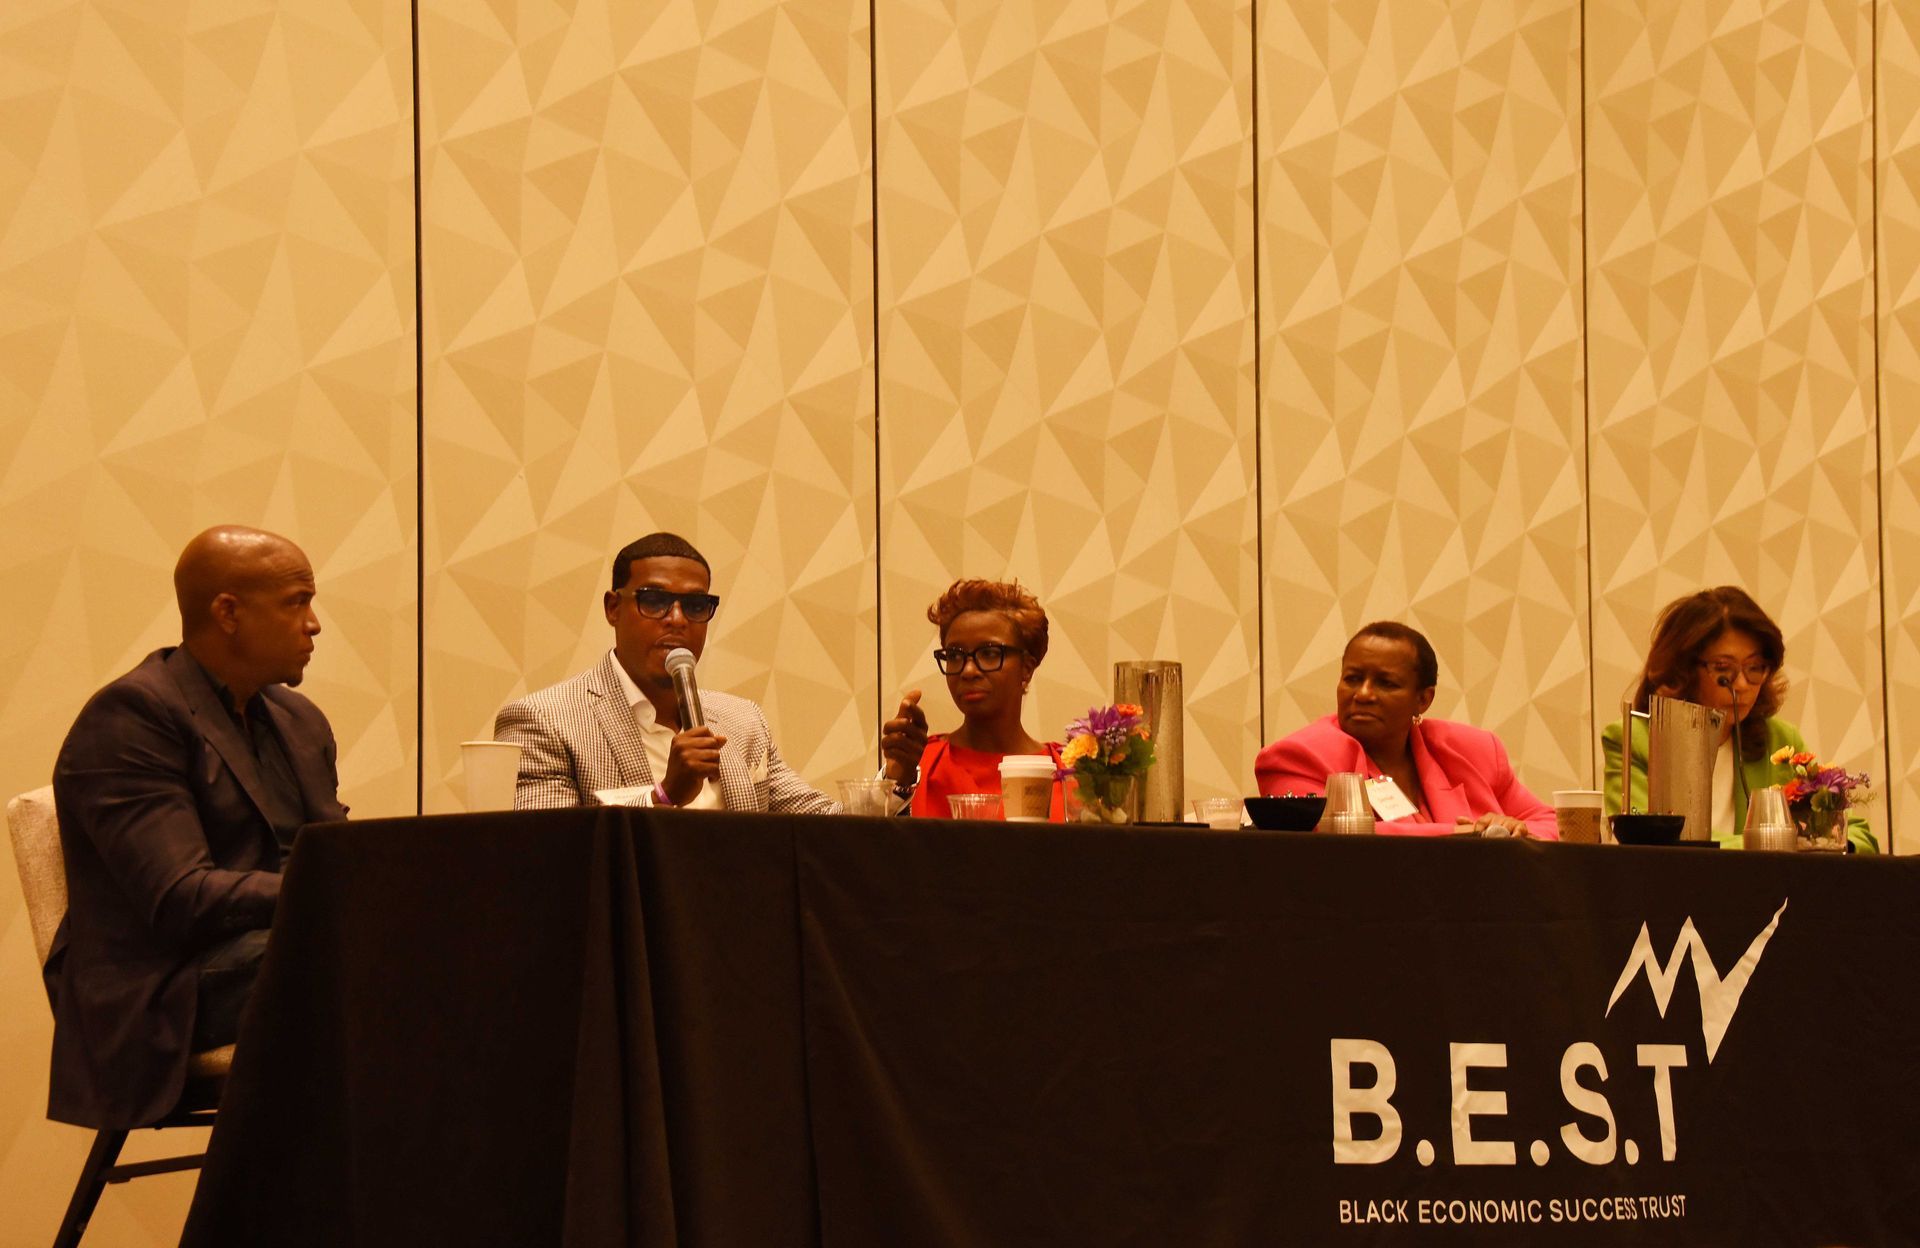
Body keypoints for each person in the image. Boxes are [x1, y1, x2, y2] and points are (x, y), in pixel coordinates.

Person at [48, 526, 346, 1129]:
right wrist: (336, 887)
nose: (314, 624)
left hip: (275, 954)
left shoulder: (298, 719)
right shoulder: (130, 716)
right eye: (297, 602)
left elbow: (336, 854)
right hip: (166, 988)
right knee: (371, 958)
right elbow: (179, 895)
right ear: (228, 613)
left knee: (431, 943)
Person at [496, 532, 926, 810]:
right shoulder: (546, 720)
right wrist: (664, 797)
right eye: (654, 601)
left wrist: (896, 776)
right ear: (613, 608)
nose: (677, 619)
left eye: (696, 606)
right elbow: (550, 855)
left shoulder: (741, 723)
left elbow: (821, 828)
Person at [1602, 587, 1877, 852]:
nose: (1743, 684)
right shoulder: (1634, 740)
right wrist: (1778, 842)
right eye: (1723, 669)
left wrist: (1828, 843)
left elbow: (1858, 835)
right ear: (1683, 669)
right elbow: (1650, 845)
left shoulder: (1780, 742)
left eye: (1755, 668)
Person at [1254, 621, 1556, 838]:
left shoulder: (1472, 750)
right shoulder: (1297, 756)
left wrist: (1517, 831)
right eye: (1353, 678)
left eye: (1386, 683)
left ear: (1423, 699)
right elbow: (1331, 833)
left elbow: (1550, 822)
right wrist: (1469, 833)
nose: (1363, 694)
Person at [910, 579, 1064, 819]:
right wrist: (895, 777)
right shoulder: (920, 764)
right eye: (954, 655)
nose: (968, 670)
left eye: (990, 653)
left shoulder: (1066, 773)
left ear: (1026, 668)